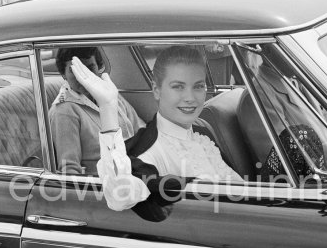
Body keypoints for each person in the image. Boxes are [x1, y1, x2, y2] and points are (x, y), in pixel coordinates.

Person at [70, 46, 243, 213]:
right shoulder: (149, 152)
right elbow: (120, 195)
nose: (190, 98)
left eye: (198, 86)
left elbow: (242, 192)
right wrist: (108, 106)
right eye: (178, 86)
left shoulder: (202, 134)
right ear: (156, 90)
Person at [49, 47, 145, 175]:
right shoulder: (64, 111)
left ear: (98, 67)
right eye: (74, 70)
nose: (83, 76)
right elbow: (70, 170)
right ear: (63, 74)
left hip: (137, 168)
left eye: (90, 68)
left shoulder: (108, 93)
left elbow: (141, 132)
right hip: (106, 183)